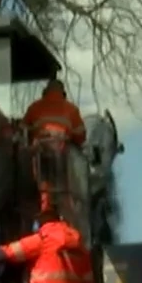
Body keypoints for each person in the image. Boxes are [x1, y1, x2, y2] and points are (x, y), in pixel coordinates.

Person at [22, 80, 87, 215]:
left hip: (40, 151)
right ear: (63, 93)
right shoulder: (71, 109)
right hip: (62, 153)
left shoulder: (35, 108)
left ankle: (46, 208)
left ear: (45, 92)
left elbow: (23, 131)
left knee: (44, 181)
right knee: (63, 184)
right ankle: (65, 210)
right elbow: (80, 136)